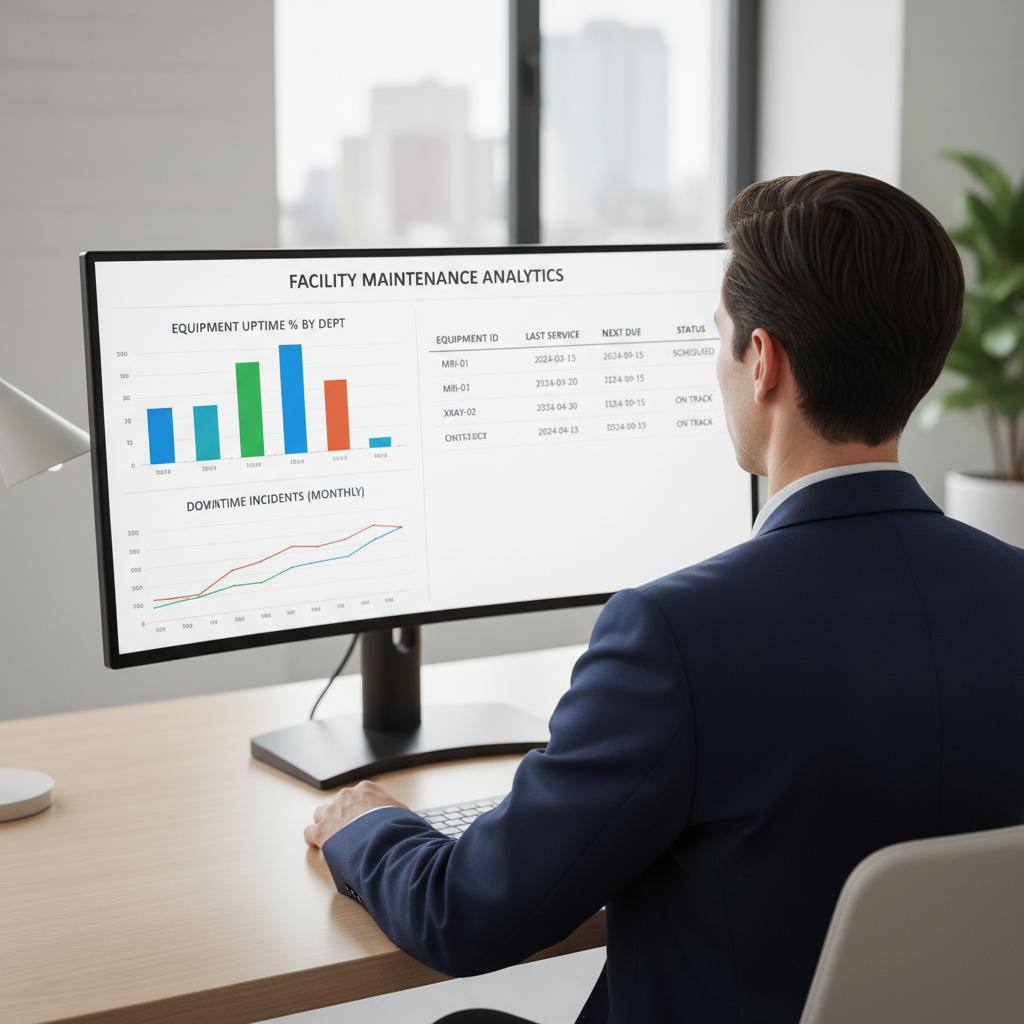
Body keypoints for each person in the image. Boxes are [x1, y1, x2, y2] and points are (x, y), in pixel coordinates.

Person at [303, 171, 1024, 1024]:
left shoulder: (677, 636)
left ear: (762, 362)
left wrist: (366, 827)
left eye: (717, 337)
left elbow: (468, 916)